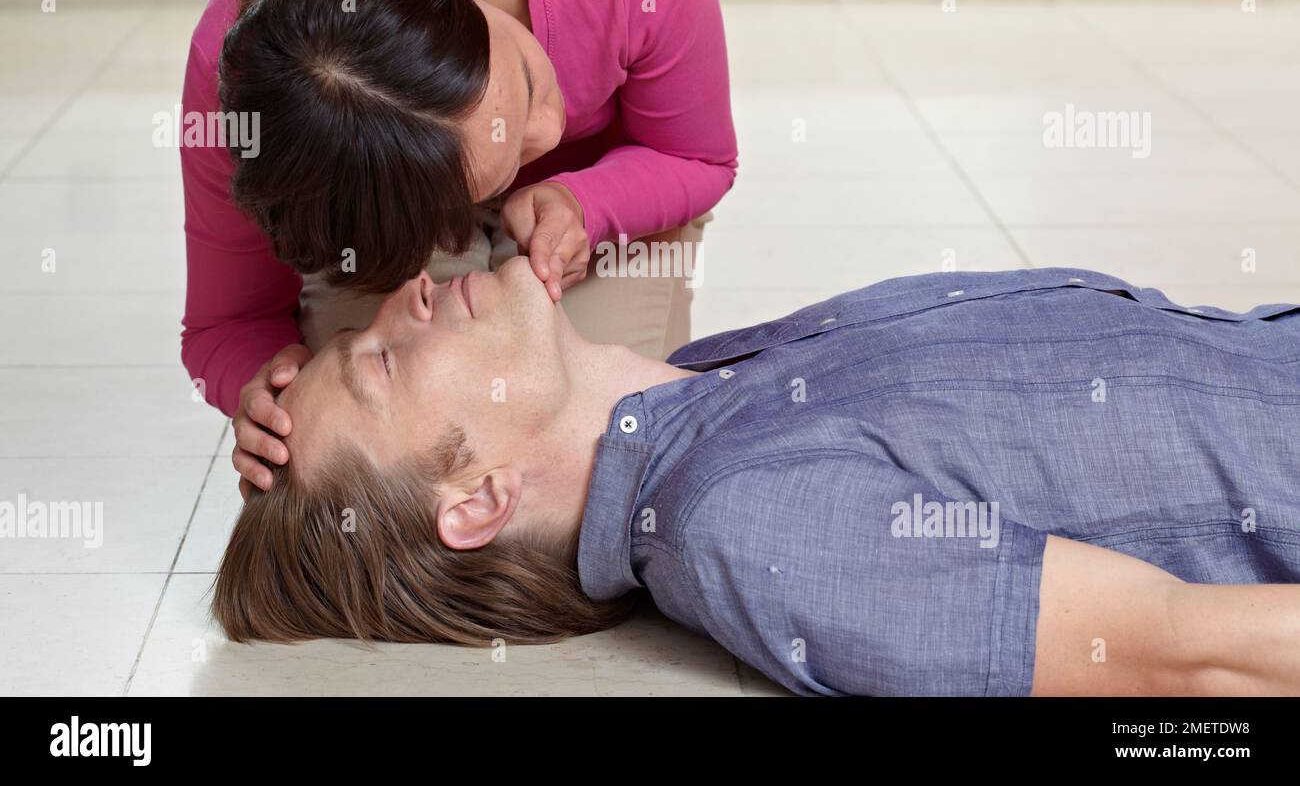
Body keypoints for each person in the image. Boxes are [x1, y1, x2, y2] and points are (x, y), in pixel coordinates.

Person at [212, 256, 1300, 696]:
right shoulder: (748, 521)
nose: (405, 290)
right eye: (384, 359)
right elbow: (1183, 653)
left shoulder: (702, 384)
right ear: (479, 498)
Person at [178, 0, 736, 500]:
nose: (551, 132)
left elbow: (695, 156)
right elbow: (226, 325)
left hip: (615, 173)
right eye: (491, 176)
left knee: (597, 459)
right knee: (385, 474)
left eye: (527, 82)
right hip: (386, 204)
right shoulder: (248, 102)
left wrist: (589, 201)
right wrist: (267, 383)